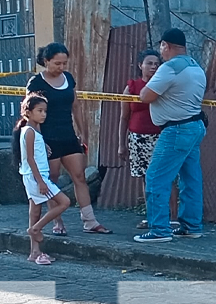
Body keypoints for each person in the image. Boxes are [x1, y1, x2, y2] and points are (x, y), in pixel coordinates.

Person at [27, 42, 110, 234]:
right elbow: (30, 113)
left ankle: (89, 220)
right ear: (46, 61)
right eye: (57, 63)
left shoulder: (69, 79)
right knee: (52, 179)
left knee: (79, 176)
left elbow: (75, 106)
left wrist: (83, 132)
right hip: (48, 137)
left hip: (68, 135)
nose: (61, 67)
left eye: (64, 63)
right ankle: (57, 221)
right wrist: (38, 140)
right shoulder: (36, 83)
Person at [135, 27, 207, 243]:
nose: (160, 53)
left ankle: (159, 229)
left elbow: (145, 96)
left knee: (156, 177)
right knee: (190, 179)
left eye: (161, 48)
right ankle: (191, 225)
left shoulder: (169, 69)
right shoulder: (196, 67)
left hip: (176, 129)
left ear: (165, 45)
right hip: (194, 126)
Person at [13, 94, 70, 265]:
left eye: (45, 111)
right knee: (64, 202)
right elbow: (30, 159)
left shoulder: (34, 130)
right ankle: (36, 228)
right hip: (35, 177)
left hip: (37, 176)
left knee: (35, 211)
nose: (43, 114)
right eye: (39, 111)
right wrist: (41, 181)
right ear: (28, 112)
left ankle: (34, 252)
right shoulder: (29, 131)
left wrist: (43, 146)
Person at [125, 49, 168, 230]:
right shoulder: (132, 87)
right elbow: (123, 117)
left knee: (166, 178)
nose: (153, 67)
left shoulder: (163, 86)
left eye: (156, 64)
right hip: (138, 139)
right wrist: (121, 144)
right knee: (146, 179)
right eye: (149, 63)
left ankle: (170, 217)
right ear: (140, 65)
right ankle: (151, 217)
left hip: (160, 136)